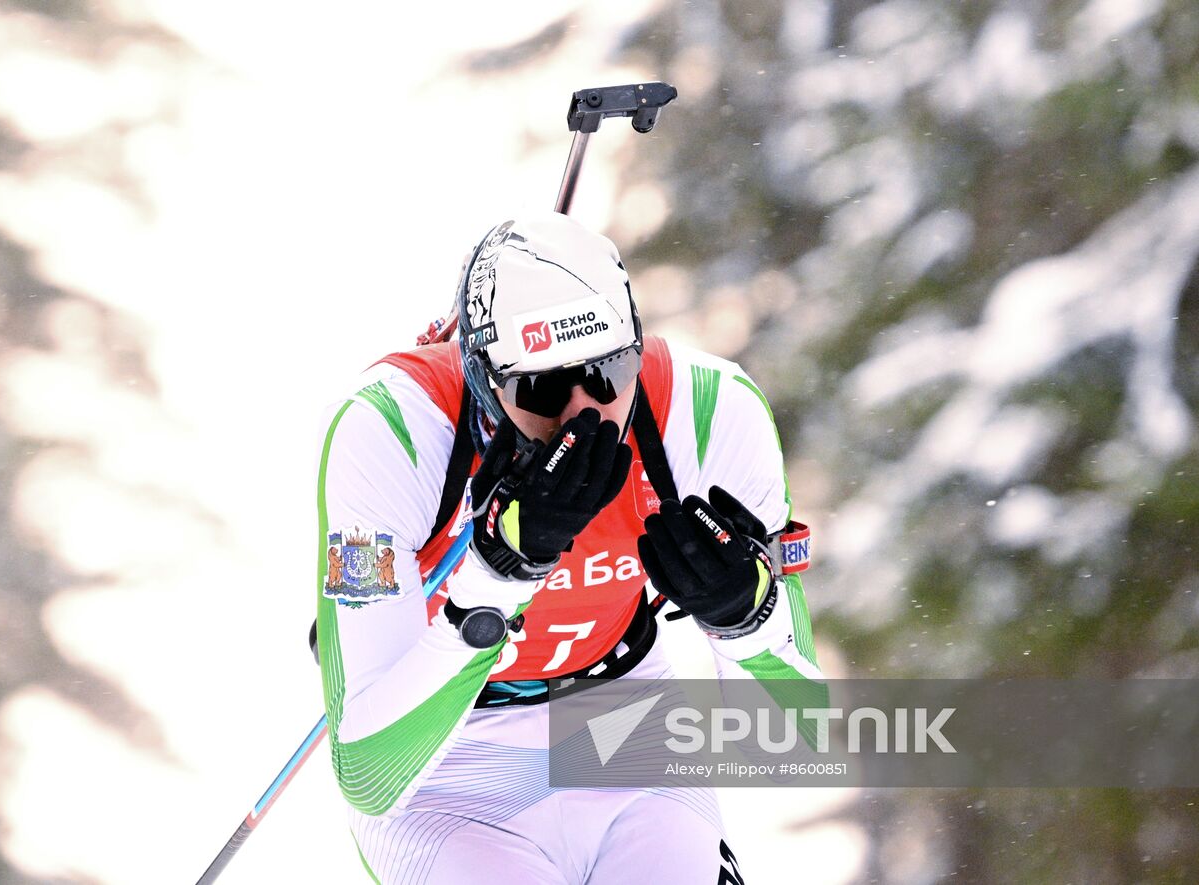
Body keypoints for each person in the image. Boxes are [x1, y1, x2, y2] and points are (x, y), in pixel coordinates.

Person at [314, 212, 822, 884]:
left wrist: (747, 619)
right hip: (448, 775)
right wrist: (495, 579)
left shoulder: (705, 413)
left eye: (608, 372)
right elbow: (372, 773)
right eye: (543, 387)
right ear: (482, 375)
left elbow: (800, 739)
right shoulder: (394, 433)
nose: (584, 413)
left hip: (626, 729)